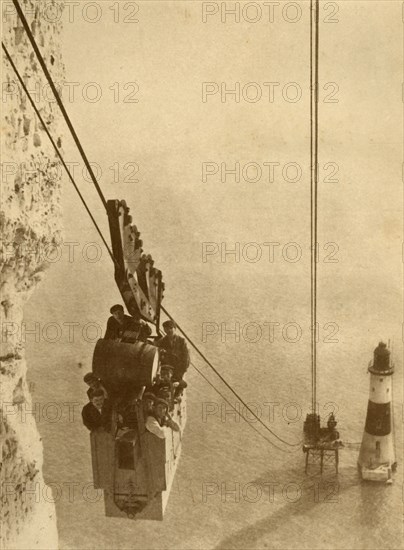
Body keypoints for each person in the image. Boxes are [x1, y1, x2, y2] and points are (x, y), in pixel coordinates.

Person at [157, 320, 190, 385]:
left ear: (175, 328)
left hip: (179, 367)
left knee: (178, 384)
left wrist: (181, 372)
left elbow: (186, 359)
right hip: (167, 368)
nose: (168, 330)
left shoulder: (182, 341)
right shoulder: (162, 341)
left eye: (171, 328)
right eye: (166, 329)